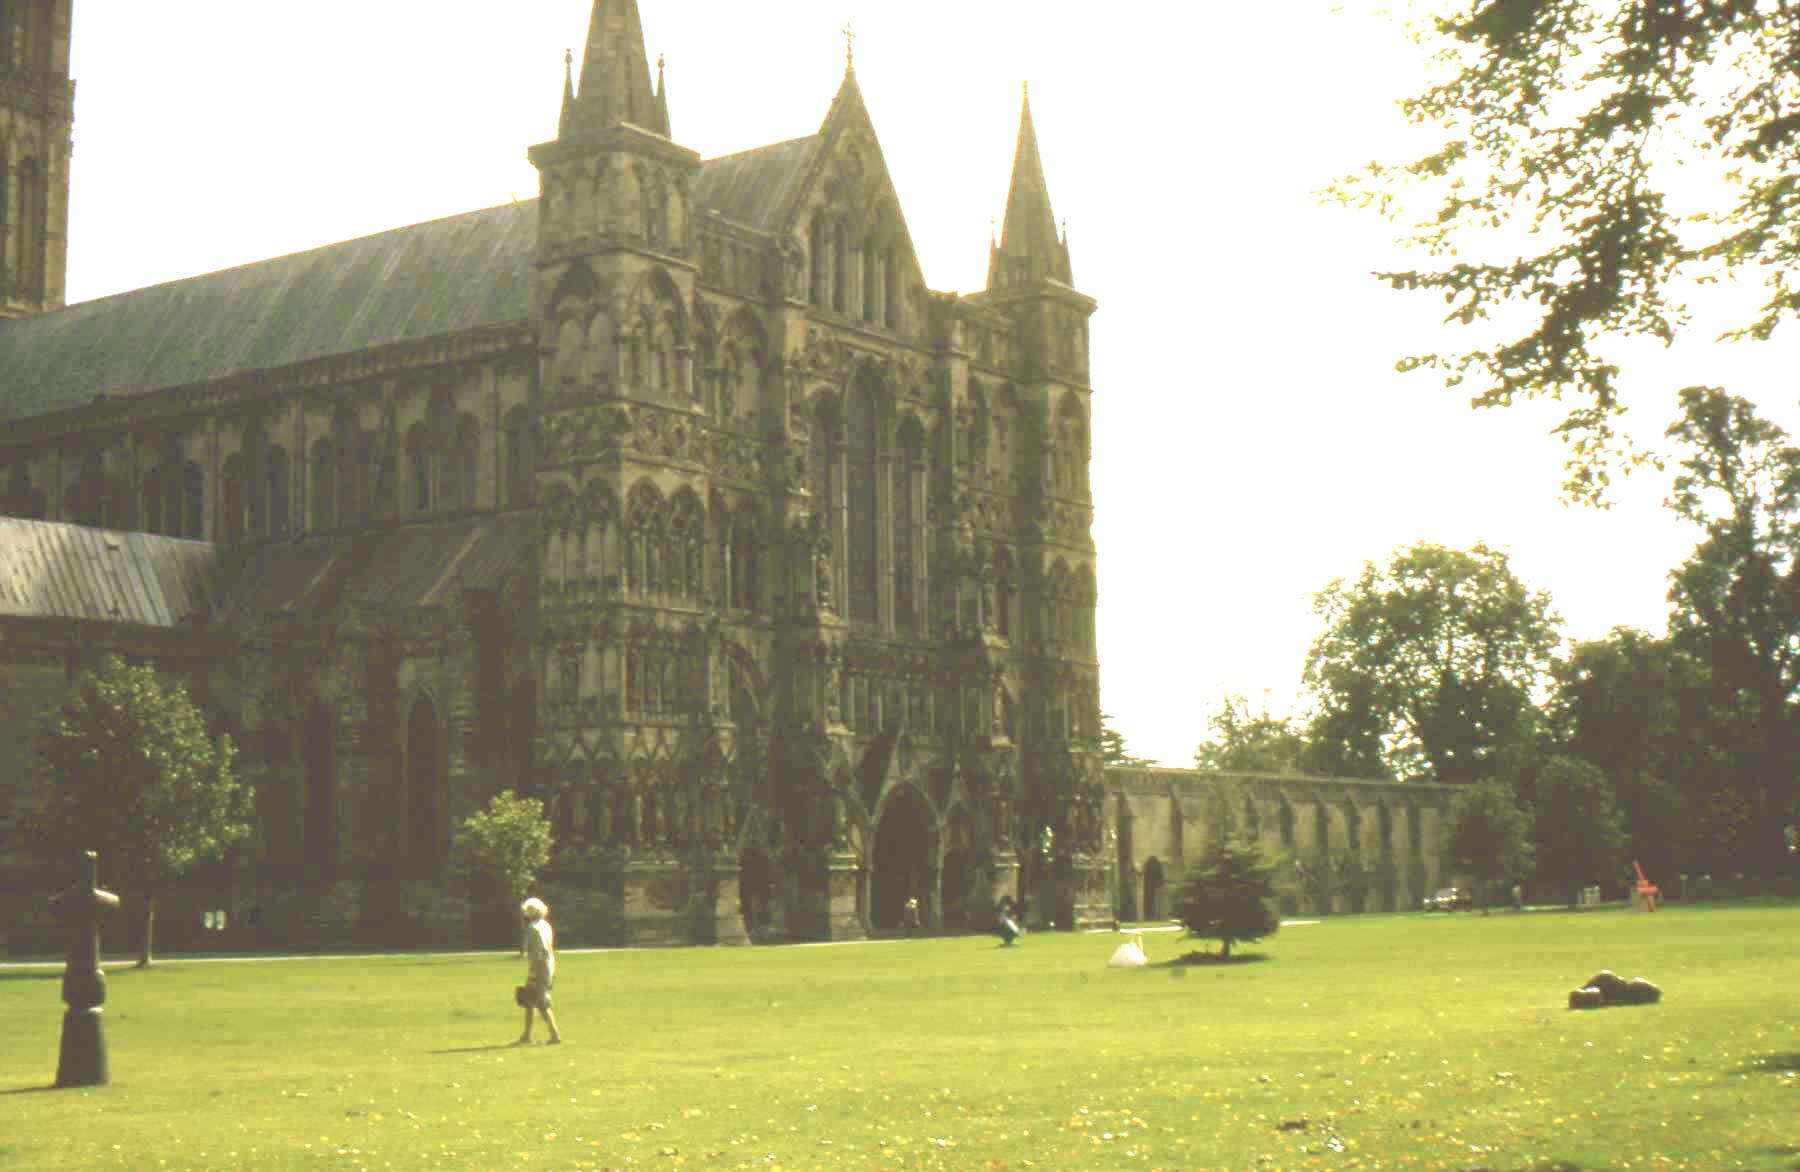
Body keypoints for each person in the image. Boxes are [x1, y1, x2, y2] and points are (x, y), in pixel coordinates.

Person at [516, 897, 562, 1045]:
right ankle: (526, 1035)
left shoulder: (533, 929)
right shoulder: (545, 925)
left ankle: (554, 1035)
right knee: (529, 1001)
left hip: (540, 968)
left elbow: (539, 953)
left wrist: (532, 975)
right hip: (548, 966)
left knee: (541, 1002)